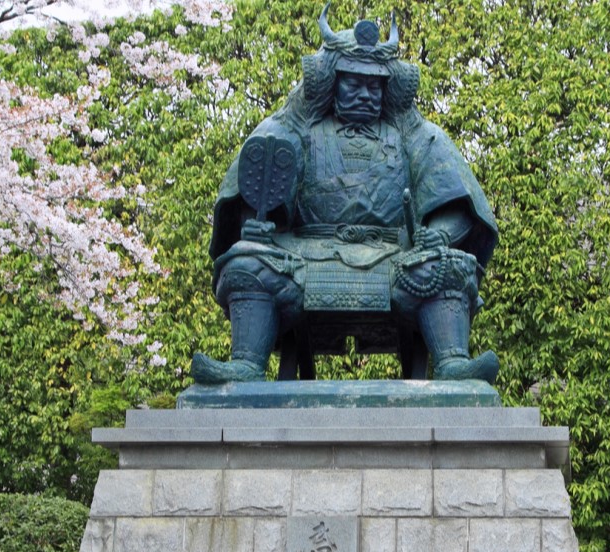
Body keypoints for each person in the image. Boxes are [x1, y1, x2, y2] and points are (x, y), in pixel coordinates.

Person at [191, 6, 500, 384]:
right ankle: (246, 364)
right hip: (304, 256)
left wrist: (439, 234)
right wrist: (257, 227)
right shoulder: (296, 130)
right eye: (353, 84)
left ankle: (452, 362)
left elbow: (454, 196)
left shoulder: (416, 135)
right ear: (330, 83)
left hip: (394, 258)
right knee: (244, 263)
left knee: (449, 265)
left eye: (374, 86)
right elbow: (260, 176)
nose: (365, 94)